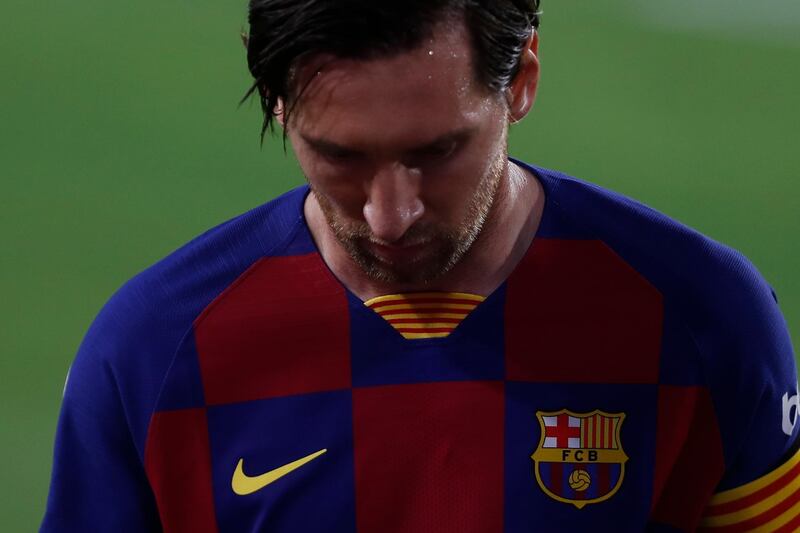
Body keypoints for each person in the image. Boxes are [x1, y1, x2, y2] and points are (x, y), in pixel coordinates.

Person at [41, 1, 799, 531]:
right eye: (340, 156)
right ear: (274, 100)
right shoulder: (154, 352)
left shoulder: (703, 322)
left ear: (524, 76)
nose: (389, 213)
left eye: (436, 152)